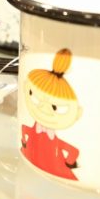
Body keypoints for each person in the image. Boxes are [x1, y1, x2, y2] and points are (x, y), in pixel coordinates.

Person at [20, 48, 82, 180]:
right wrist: (70, 161)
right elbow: (72, 151)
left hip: (49, 166)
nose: (43, 109)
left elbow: (71, 150)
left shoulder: (44, 134)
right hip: (33, 163)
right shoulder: (36, 129)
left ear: (77, 114)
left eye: (55, 107)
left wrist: (24, 140)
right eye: (33, 95)